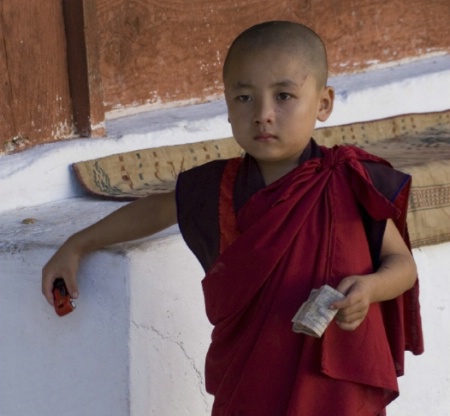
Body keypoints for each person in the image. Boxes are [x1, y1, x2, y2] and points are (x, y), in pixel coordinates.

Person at [42, 21, 423, 416]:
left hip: (332, 388)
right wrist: (78, 244)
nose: (263, 114)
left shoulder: (348, 181)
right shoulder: (218, 187)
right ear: (226, 106)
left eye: (285, 96)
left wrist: (370, 288)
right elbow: (156, 209)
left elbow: (402, 265)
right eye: (244, 97)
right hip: (251, 382)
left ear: (323, 103)